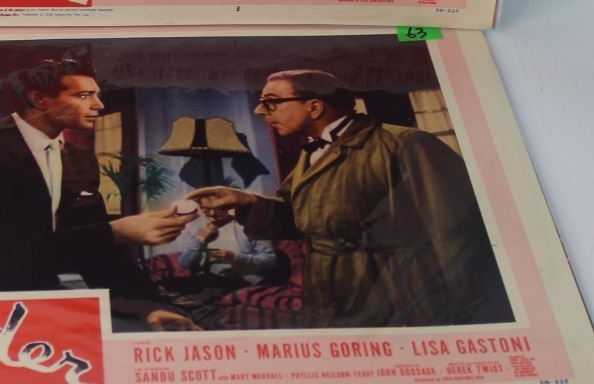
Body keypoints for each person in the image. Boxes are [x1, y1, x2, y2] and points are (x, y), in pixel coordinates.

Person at [189, 70, 510, 328]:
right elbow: (299, 218)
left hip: (394, 293)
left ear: (314, 107)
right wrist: (245, 202)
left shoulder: (407, 144)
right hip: (328, 293)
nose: (260, 111)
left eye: (271, 102)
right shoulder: (311, 153)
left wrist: (471, 312)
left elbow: (457, 233)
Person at [0, 59, 198, 330]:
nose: (99, 105)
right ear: (40, 100)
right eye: (84, 96)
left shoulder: (80, 159)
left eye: (97, 95)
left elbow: (101, 253)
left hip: (46, 296)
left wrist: (147, 307)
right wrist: (113, 233)